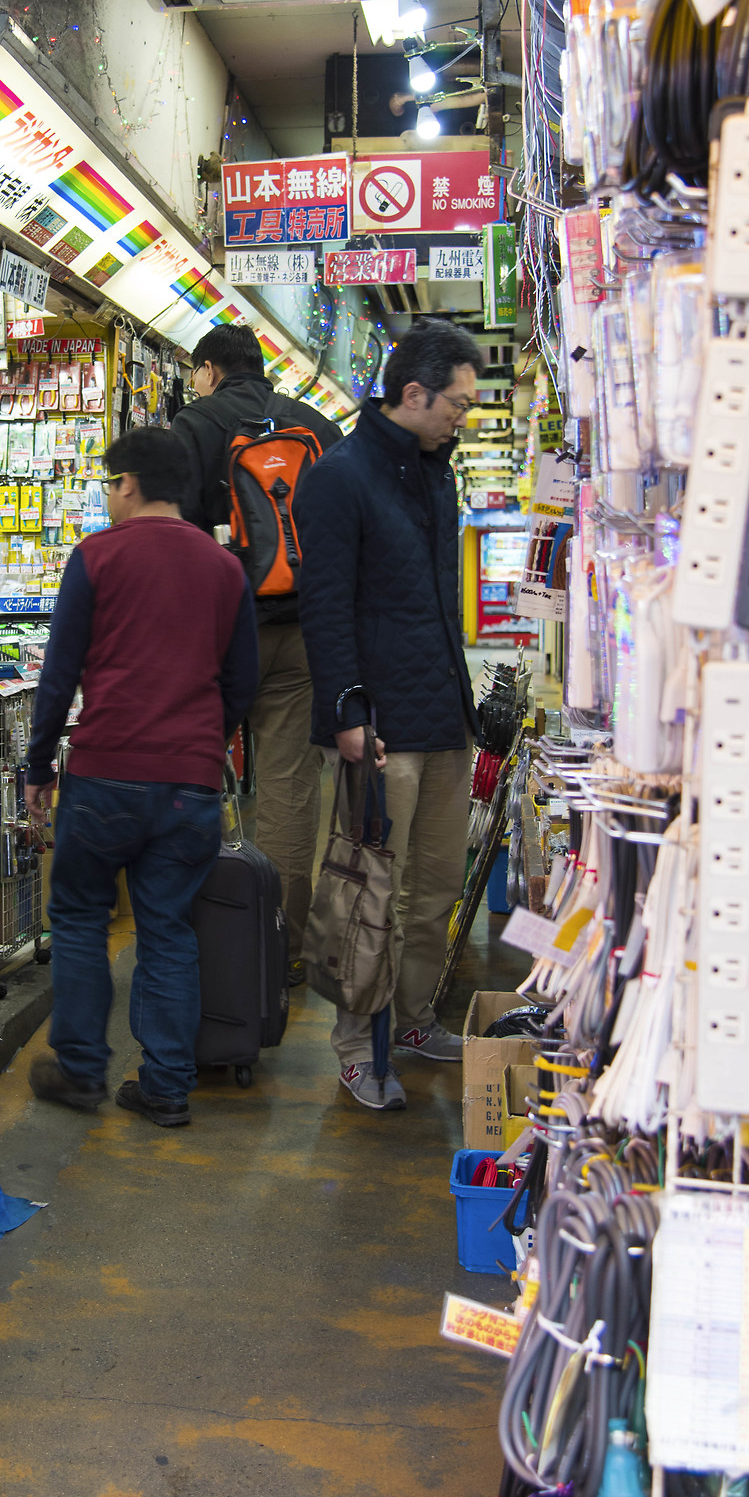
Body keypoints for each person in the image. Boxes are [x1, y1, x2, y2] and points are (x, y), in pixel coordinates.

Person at [23, 426, 259, 1129]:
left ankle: (79, 1069)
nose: (107, 496)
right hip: (188, 784)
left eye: (107, 484)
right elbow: (241, 681)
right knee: (167, 929)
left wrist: (39, 764)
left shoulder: (96, 556)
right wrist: (200, 744)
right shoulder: (224, 568)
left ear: (126, 483)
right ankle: (164, 1087)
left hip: (104, 775)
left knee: (78, 916)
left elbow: (59, 673)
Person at [294, 317, 482, 1112]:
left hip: (441, 715)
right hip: (377, 729)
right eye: (457, 404)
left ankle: (411, 1023)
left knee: (433, 887)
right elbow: (324, 606)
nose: (462, 417)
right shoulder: (340, 476)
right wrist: (346, 713)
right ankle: (354, 1049)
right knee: (368, 893)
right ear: (414, 393)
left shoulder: (435, 471)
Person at [171, 323, 341, 979]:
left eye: (194, 372)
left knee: (193, 777)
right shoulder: (317, 427)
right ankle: (279, 946)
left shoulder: (195, 425)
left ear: (210, 369)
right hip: (298, 635)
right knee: (288, 793)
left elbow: (173, 537)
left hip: (213, 633)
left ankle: (203, 933)